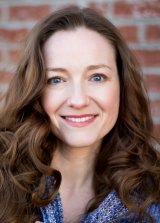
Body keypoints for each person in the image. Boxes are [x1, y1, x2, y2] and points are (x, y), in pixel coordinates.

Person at [0, 5, 160, 223]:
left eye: (97, 77)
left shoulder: (153, 195)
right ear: (35, 90)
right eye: (56, 79)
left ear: (122, 84)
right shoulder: (4, 179)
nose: (78, 100)